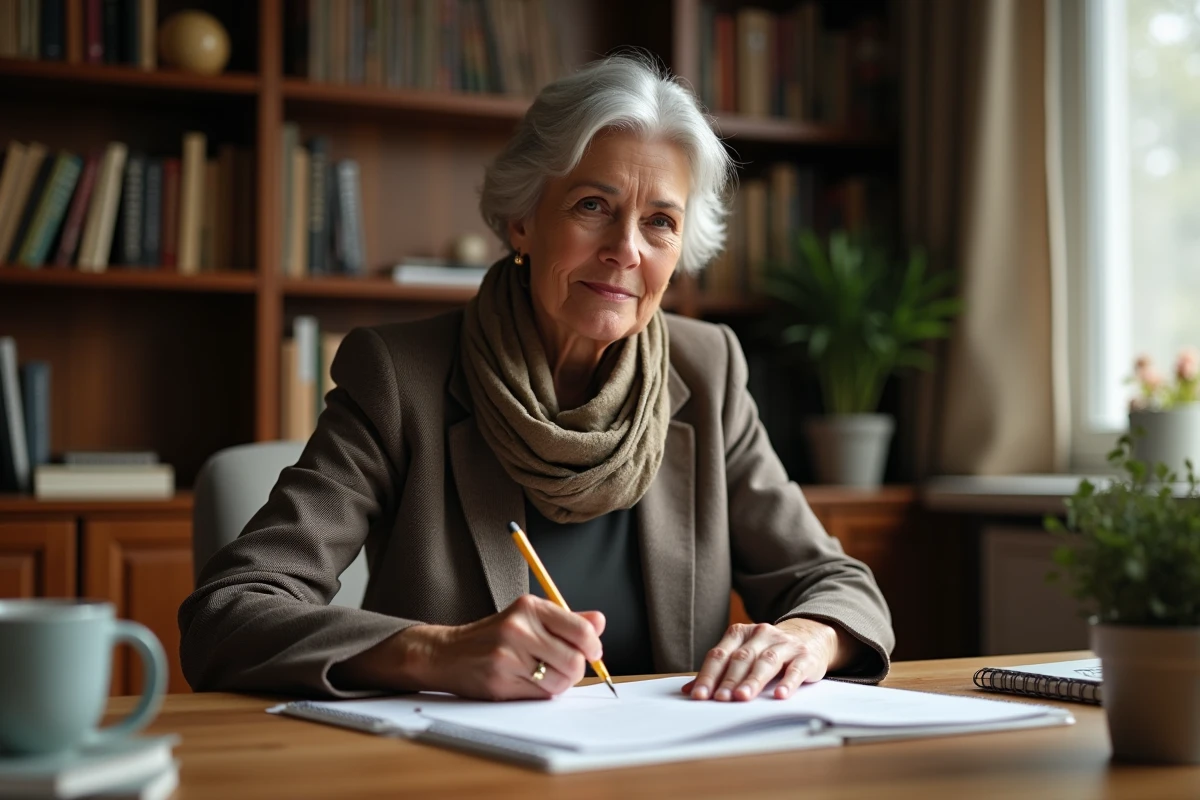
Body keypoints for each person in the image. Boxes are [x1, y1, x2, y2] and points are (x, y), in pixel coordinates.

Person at [179, 54, 894, 703]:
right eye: (593, 206)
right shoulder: (401, 377)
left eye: (660, 223)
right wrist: (433, 651)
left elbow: (837, 585)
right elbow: (231, 610)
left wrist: (806, 637)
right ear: (523, 218)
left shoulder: (705, 371)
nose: (624, 251)